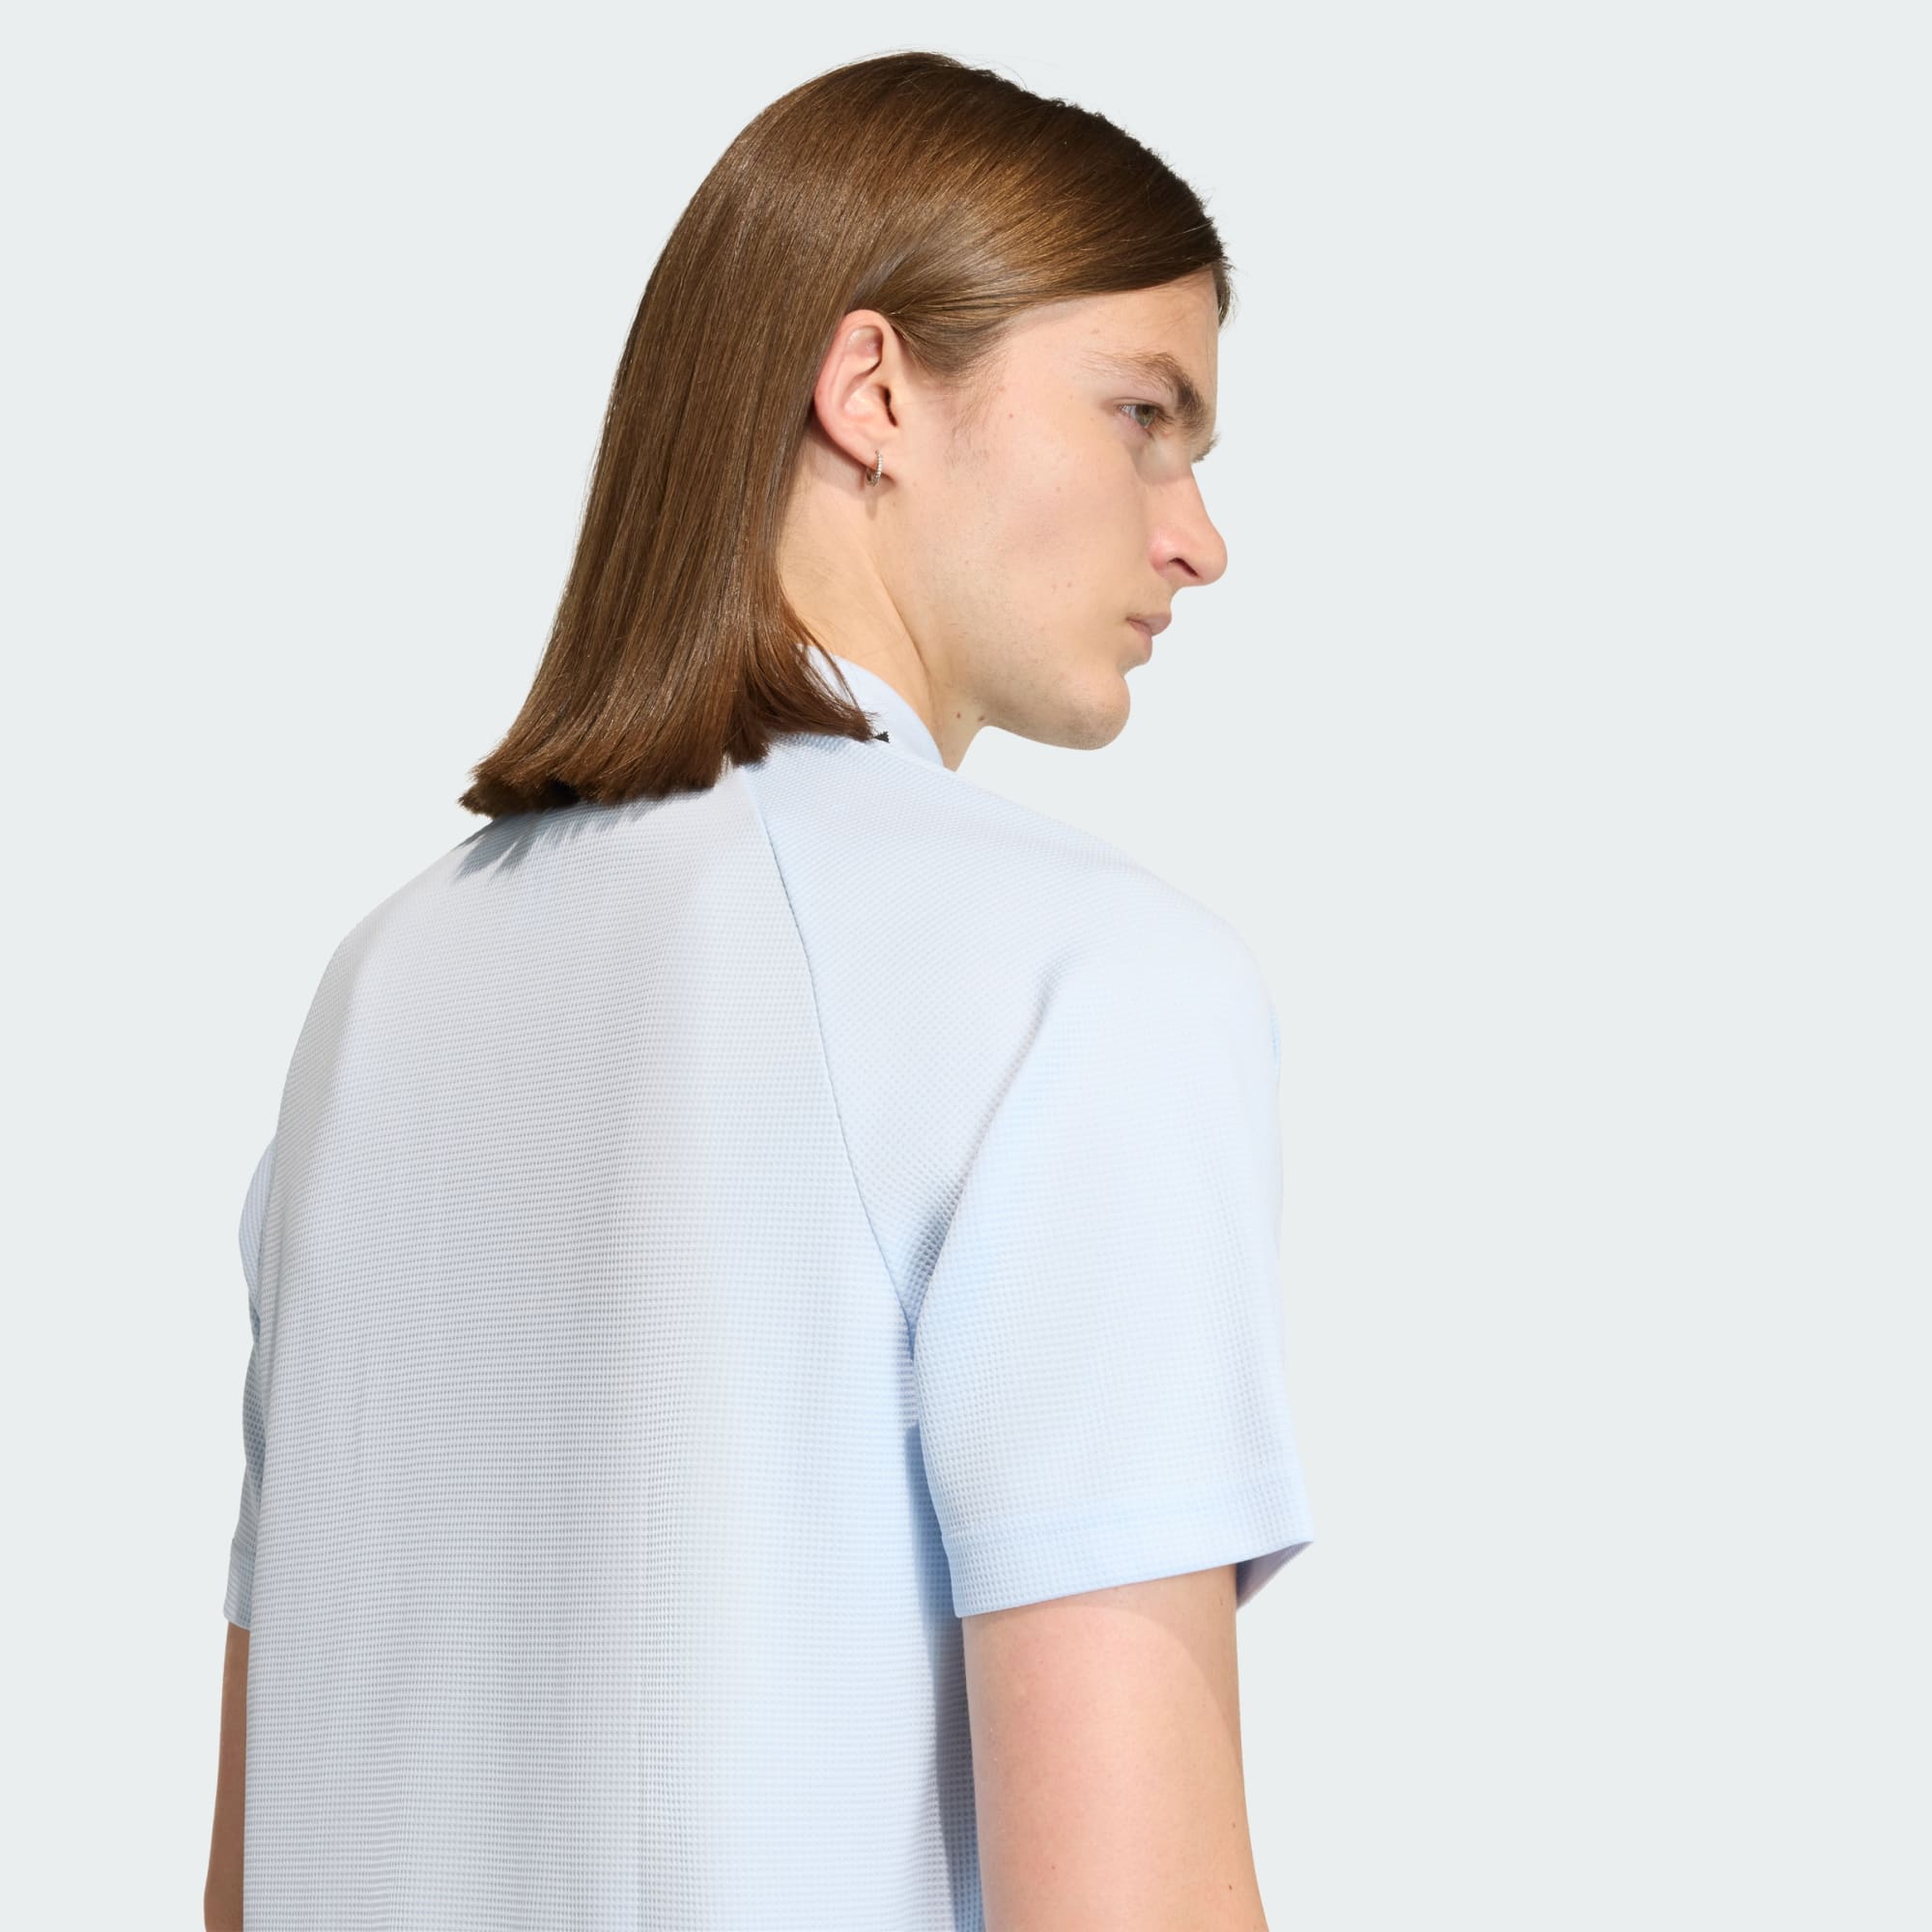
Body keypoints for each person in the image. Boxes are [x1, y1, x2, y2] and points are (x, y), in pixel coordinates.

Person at [205, 48, 1315, 1932]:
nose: (1195, 533)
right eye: (1143, 415)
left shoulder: (377, 1000)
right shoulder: (1086, 982)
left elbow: (253, 1874)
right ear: (872, 390)